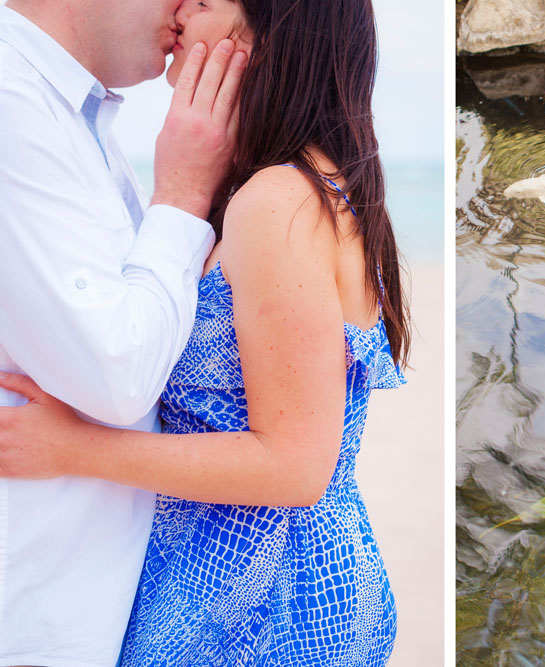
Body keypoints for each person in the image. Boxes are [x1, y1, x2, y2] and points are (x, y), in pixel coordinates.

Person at [0, 0, 410, 664]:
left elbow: (296, 465)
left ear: (267, 34)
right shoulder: (298, 187)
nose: (182, 8)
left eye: (207, 0)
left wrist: (75, 449)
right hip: (259, 576)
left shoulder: (278, 201)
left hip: (267, 594)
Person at [0, 0, 245, 665]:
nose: (190, 4)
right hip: (35, 619)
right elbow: (119, 376)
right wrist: (186, 191)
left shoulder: (76, 115)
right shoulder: (13, 105)